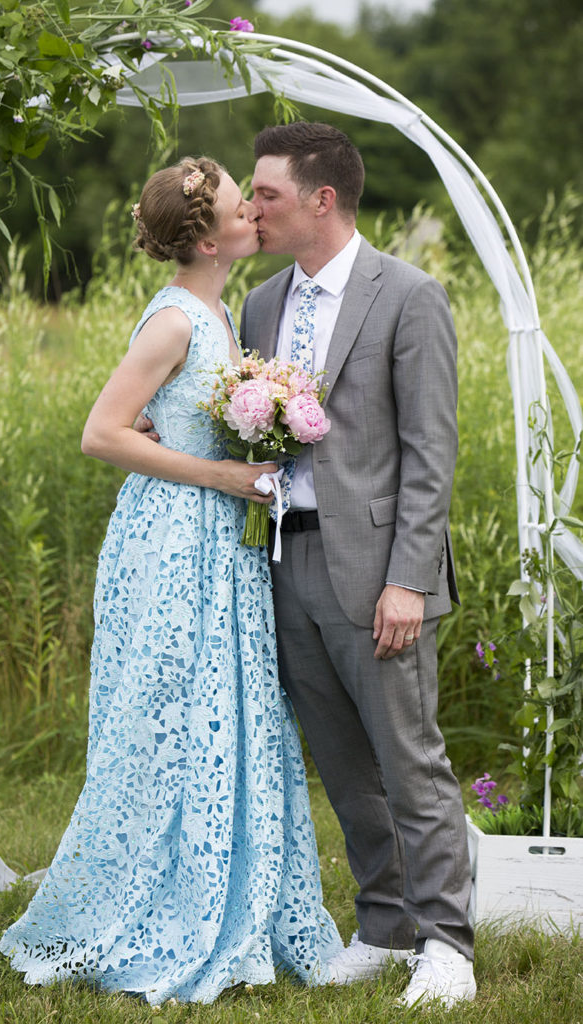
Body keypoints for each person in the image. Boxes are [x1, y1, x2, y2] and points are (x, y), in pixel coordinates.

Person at [0, 157, 343, 1005]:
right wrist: (222, 474)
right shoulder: (175, 320)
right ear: (204, 236)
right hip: (169, 542)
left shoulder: (222, 309)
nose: (254, 218)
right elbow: (102, 433)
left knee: (221, 714)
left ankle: (229, 894)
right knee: (162, 719)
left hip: (219, 546)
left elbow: (170, 414)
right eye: (239, 209)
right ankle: (145, 903)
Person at [239, 122, 476, 1009]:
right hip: (283, 565)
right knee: (342, 767)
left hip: (380, 576)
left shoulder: (408, 296)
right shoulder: (260, 304)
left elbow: (429, 451)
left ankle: (447, 943)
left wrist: (409, 579)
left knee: (409, 765)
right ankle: (383, 927)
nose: (250, 208)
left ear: (320, 199)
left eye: (266, 195)